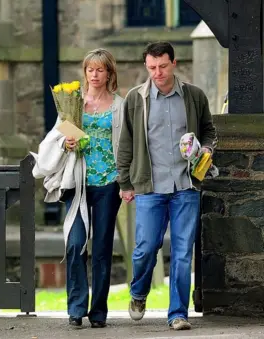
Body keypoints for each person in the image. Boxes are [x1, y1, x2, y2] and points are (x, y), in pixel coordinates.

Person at [116, 41, 217, 331]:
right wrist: (125, 182)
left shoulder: (194, 96)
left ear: (174, 63)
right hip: (149, 186)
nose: (157, 73)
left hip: (186, 183)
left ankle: (177, 314)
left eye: (162, 66)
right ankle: (138, 292)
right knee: (146, 248)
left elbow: (208, 130)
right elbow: (126, 145)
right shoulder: (136, 99)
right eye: (151, 67)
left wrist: (207, 149)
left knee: (183, 252)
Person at [31, 48, 123, 328]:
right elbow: (55, 138)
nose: (94, 75)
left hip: (108, 182)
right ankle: (76, 308)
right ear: (85, 73)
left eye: (100, 70)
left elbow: (127, 143)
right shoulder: (73, 103)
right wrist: (66, 142)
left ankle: (98, 312)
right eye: (90, 70)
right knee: (75, 244)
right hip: (78, 183)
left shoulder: (120, 105)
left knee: (102, 249)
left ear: (109, 73)